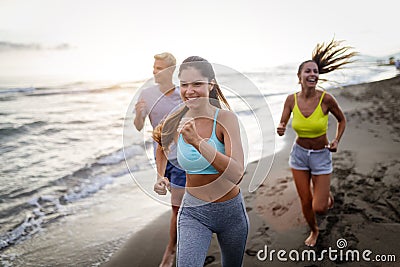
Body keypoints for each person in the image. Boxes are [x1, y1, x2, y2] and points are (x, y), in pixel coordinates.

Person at [152, 56, 249, 267]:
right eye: (184, 84)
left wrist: (197, 142)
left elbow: (237, 174)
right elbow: (160, 144)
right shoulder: (175, 119)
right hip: (193, 212)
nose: (190, 90)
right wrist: (161, 176)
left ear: (211, 84)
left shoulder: (225, 119)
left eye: (197, 83)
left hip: (230, 212)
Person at [277, 40, 356, 247]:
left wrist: (336, 140)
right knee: (305, 202)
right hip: (299, 155)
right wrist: (281, 126)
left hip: (321, 155)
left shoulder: (326, 99)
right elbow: (283, 119)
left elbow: (342, 119)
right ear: (299, 76)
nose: (313, 74)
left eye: (315, 71)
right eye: (308, 71)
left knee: (320, 206)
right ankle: (314, 230)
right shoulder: (291, 100)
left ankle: (325, 195)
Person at [133, 52, 186, 267]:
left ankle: (171, 250)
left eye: (159, 68)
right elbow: (139, 126)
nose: (154, 72)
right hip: (163, 158)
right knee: (180, 205)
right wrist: (138, 114)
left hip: (185, 157)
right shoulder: (146, 94)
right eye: (154, 67)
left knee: (177, 206)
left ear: (171, 70)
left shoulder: (182, 93)